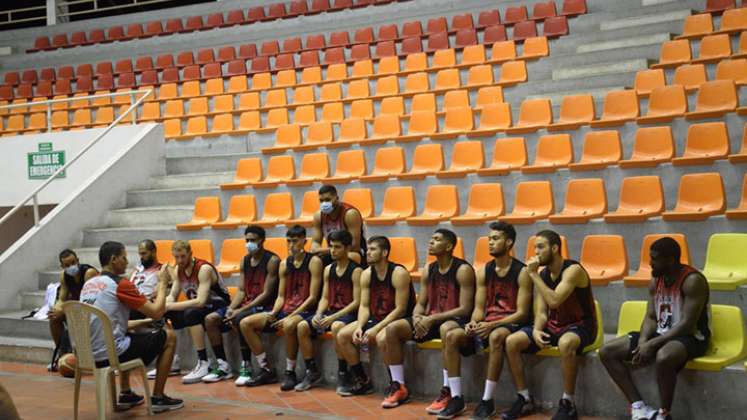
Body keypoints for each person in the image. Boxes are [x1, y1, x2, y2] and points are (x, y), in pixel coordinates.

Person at [599, 238, 710, 420]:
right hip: (663, 332)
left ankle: (664, 413)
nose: (650, 263)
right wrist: (643, 341)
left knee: (664, 356)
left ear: (671, 260)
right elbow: (651, 316)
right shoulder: (655, 280)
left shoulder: (692, 281)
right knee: (606, 351)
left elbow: (687, 324)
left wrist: (654, 344)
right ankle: (638, 406)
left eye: (654, 258)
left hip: (691, 336)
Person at [437, 222, 533, 420]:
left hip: (510, 323)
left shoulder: (522, 272)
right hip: (487, 323)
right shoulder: (483, 271)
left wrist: (492, 325)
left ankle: (487, 400)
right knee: (452, 335)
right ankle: (456, 398)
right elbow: (479, 308)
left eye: (495, 239)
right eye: (489, 239)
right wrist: (473, 322)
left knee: (497, 336)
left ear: (509, 242)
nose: (490, 242)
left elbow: (523, 313)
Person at [502, 230, 597, 420]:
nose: (536, 252)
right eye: (534, 247)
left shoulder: (573, 270)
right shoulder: (544, 274)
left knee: (566, 343)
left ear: (554, 248)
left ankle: (568, 403)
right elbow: (542, 310)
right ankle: (524, 397)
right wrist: (537, 329)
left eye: (540, 247)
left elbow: (554, 300)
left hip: (580, 325)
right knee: (512, 341)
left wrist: (533, 275)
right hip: (554, 325)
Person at [78, 241, 183, 413]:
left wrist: (143, 322)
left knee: (129, 331)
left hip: (87, 355)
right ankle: (158, 397)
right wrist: (162, 284)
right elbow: (157, 313)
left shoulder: (89, 284)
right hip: (109, 354)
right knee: (169, 337)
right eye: (124, 258)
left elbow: (110, 323)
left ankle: (126, 393)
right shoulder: (121, 284)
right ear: (113, 259)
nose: (127, 262)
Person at [381, 229, 475, 409]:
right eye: (431, 238)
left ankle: (448, 390)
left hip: (455, 320)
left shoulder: (463, 270)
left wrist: (431, 319)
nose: (431, 242)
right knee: (393, 329)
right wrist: (417, 317)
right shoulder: (428, 269)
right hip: (431, 319)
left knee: (446, 329)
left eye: (437, 239)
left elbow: (465, 308)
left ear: (448, 246)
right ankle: (399, 386)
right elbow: (421, 302)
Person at [239, 225, 323, 391]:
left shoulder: (314, 262)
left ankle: (290, 372)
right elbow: (281, 297)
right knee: (245, 323)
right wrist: (274, 312)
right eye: (289, 241)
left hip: (305, 311)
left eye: (295, 241)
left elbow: (312, 297)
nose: (291, 245)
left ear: (304, 242)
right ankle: (266, 368)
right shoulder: (284, 264)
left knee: (290, 324)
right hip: (286, 310)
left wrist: (290, 316)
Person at [336, 236, 416, 396]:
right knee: (343, 335)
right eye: (368, 249)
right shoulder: (366, 274)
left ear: (385, 252)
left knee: (381, 338)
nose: (368, 253)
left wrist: (377, 328)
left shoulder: (398, 273)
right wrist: (359, 327)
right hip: (377, 317)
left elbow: (400, 309)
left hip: (399, 319)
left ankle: (395, 383)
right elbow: (364, 306)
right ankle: (362, 380)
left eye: (373, 249)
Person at [204, 226, 280, 387]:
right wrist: (231, 307)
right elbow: (240, 290)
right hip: (246, 304)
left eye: (253, 240)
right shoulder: (244, 260)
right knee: (211, 319)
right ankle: (222, 364)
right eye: (247, 240)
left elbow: (266, 294)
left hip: (265, 306)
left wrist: (239, 310)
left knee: (239, 318)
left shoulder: (272, 261)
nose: (249, 243)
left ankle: (251, 365)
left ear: (262, 240)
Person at [295, 230, 362, 391]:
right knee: (302, 326)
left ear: (347, 249)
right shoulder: (328, 269)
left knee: (337, 327)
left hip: (349, 314)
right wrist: (318, 313)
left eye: (337, 247)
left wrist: (333, 318)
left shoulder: (356, 271)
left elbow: (357, 302)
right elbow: (325, 298)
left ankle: (343, 372)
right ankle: (312, 370)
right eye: (331, 246)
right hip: (331, 312)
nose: (332, 250)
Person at [161, 240, 232, 384]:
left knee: (191, 313)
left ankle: (204, 362)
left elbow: (201, 301)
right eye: (177, 257)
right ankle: (172, 359)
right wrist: (161, 305)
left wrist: (170, 306)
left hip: (219, 305)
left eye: (183, 256)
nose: (180, 260)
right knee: (164, 313)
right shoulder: (178, 269)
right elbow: (172, 296)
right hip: (199, 309)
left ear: (190, 254)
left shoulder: (203, 269)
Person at [128, 240, 181, 379]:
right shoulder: (136, 270)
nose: (141, 257)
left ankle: (171, 360)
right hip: (136, 303)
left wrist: (169, 296)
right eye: (140, 254)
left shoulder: (164, 268)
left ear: (153, 252)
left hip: (151, 303)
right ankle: (127, 360)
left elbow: (176, 283)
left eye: (144, 253)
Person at [49, 249, 98, 351]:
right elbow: (62, 299)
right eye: (67, 265)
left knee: (74, 316)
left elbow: (90, 302)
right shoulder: (64, 275)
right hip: (77, 309)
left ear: (78, 260)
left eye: (73, 263)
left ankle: (81, 352)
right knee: (54, 318)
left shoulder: (89, 273)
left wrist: (64, 310)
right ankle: (62, 353)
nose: (71, 267)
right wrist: (56, 310)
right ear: (62, 267)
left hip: (93, 309)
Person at [311, 184, 366, 265]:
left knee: (351, 256)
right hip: (332, 253)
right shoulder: (318, 216)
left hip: (352, 253)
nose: (324, 204)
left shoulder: (350, 214)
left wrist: (328, 250)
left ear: (337, 198)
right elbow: (315, 243)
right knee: (314, 261)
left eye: (327, 200)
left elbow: (354, 246)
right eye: (321, 201)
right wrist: (316, 249)